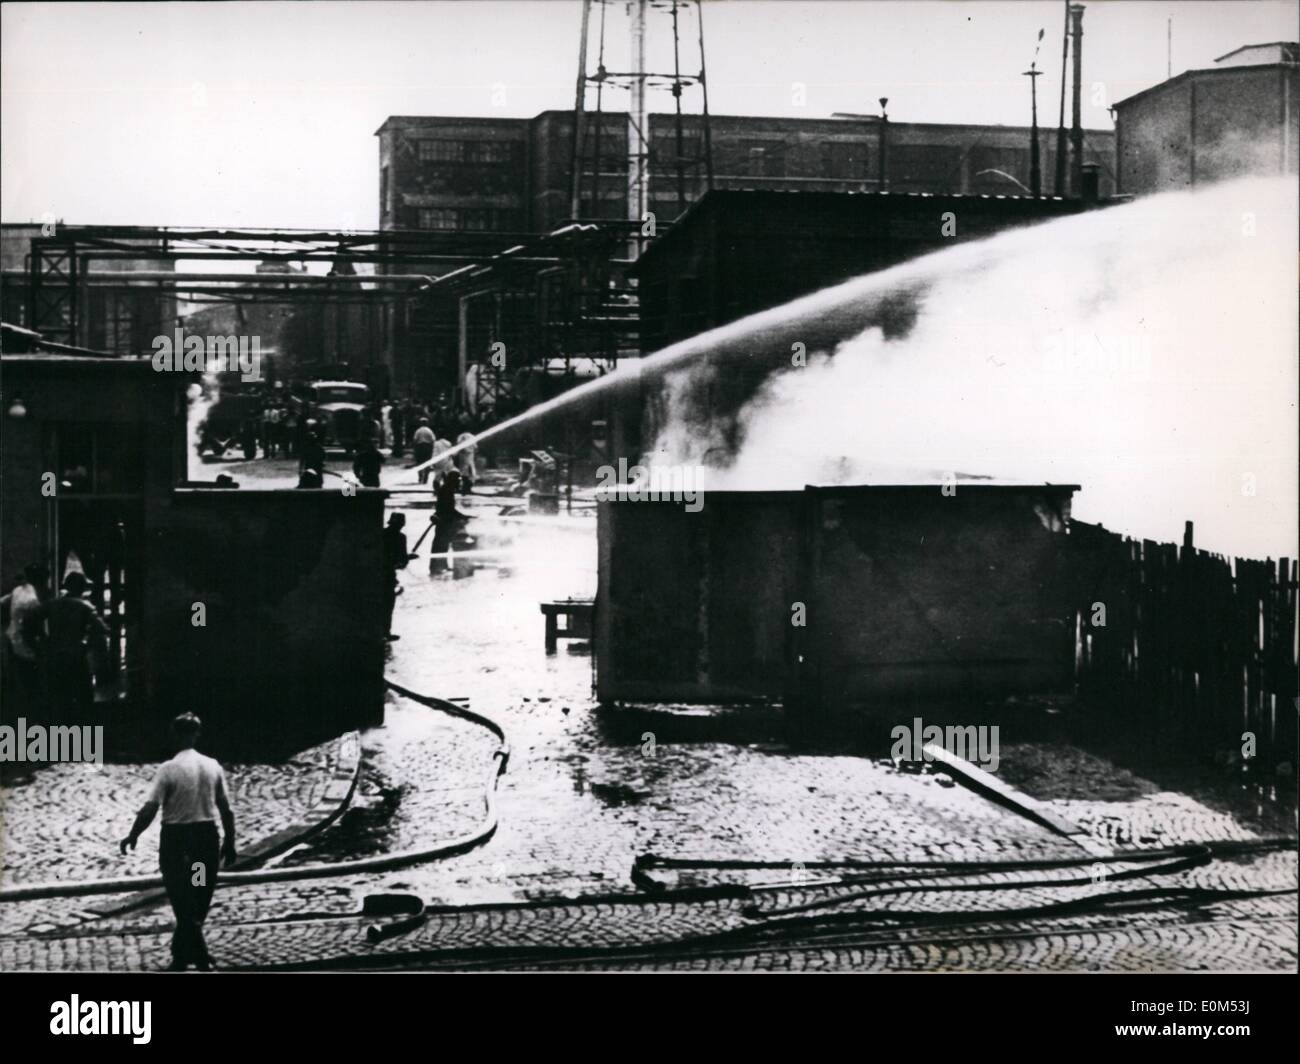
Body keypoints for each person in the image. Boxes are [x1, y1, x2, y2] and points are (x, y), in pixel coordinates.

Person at [120, 713, 236, 972]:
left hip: (177, 843)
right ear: (198, 734)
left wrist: (133, 834)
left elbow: (150, 808)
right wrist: (230, 841)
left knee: (181, 899)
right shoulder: (212, 766)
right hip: (204, 842)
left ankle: (196, 956)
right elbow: (226, 810)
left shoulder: (168, 769)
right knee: (197, 895)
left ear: (174, 735)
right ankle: (183, 955)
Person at [45, 571, 110, 721]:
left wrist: (42, 641)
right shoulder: (85, 606)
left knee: (60, 695)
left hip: (56, 655)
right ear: (81, 588)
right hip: (76, 655)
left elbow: (29, 621)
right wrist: (87, 640)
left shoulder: (53, 604)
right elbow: (102, 629)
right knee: (84, 694)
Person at [1, 563, 49, 719]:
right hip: (25, 643)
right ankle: (33, 715)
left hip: (12, 636)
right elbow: (32, 626)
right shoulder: (32, 600)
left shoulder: (18, 590)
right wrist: (43, 642)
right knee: (32, 680)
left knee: (18, 677)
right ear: (42, 580)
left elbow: (2, 602)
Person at [429, 469, 469, 574]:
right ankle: (437, 567)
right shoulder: (447, 491)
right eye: (457, 481)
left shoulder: (447, 489)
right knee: (441, 545)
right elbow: (449, 509)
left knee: (442, 545)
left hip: (444, 521)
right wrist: (463, 516)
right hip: (444, 522)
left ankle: (440, 566)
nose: (459, 483)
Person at [381, 513, 414, 639]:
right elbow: (402, 561)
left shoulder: (381, 534)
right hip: (388, 574)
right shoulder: (401, 537)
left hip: (378, 572)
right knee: (388, 603)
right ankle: (385, 632)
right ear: (402, 524)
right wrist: (407, 558)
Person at [411, 418, 435, 484]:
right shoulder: (429, 431)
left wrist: (415, 448)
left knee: (419, 462)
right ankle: (426, 478)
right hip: (427, 447)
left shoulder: (418, 431)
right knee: (427, 463)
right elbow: (433, 440)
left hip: (420, 447)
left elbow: (415, 440)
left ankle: (420, 477)